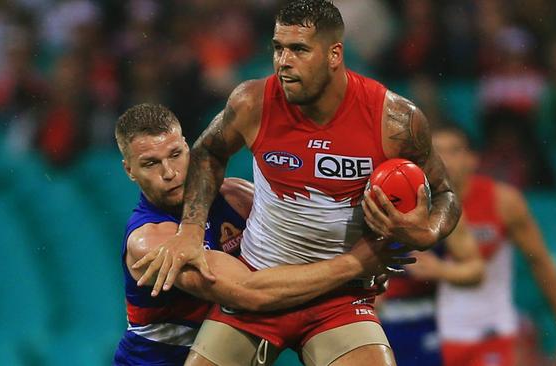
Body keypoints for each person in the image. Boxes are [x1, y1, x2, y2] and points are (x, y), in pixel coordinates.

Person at [135, 1, 461, 365]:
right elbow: (208, 153)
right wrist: (191, 230)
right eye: (278, 47)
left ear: (334, 54)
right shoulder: (253, 101)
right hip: (259, 283)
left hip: (339, 300)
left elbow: (445, 192)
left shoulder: (395, 120)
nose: (283, 61)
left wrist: (428, 231)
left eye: (299, 50)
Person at [113, 104, 408, 365]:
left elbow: (297, 248)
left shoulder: (235, 195)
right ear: (129, 170)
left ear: (189, 147)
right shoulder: (149, 241)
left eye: (175, 154)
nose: (170, 172)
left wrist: (363, 271)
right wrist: (356, 263)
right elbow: (249, 293)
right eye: (151, 163)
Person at [432, 125, 556, 366]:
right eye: (436, 151)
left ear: (473, 159)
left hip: (490, 334)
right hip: (432, 335)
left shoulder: (503, 201)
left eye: (453, 150)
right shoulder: (417, 205)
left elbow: (542, 264)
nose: (444, 159)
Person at [377, 216, 484, 366]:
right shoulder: (364, 204)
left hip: (425, 328)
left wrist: (440, 270)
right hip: (375, 325)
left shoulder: (443, 207)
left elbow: (477, 270)